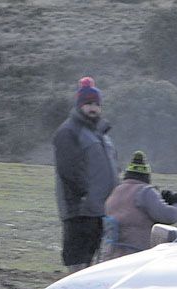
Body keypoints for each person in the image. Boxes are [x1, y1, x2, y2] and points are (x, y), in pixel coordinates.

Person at [53, 77, 119, 273]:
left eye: (96, 104)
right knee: (78, 264)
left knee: (95, 265)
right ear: (79, 105)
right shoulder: (69, 132)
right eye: (88, 104)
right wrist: (84, 195)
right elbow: (68, 170)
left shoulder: (102, 135)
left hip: (101, 210)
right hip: (80, 211)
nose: (93, 108)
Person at [98, 150, 177, 262]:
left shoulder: (116, 191)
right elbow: (168, 216)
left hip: (110, 254)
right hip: (135, 255)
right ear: (146, 176)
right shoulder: (145, 192)